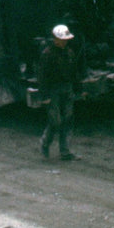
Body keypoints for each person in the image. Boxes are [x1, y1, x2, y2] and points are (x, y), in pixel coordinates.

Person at [37, 24, 81, 160]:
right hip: (53, 91)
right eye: (63, 39)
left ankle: (65, 151)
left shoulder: (69, 53)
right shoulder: (47, 55)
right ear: (55, 39)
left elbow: (75, 73)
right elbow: (42, 77)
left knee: (68, 119)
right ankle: (45, 144)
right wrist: (44, 96)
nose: (65, 41)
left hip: (67, 88)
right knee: (55, 121)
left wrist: (79, 89)